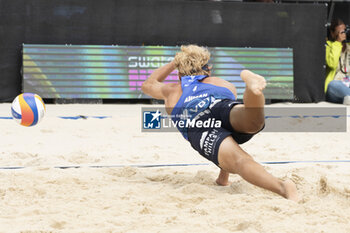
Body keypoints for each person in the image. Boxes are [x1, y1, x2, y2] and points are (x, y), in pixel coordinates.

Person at [141, 45, 298, 201]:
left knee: (240, 161)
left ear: (179, 73)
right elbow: (227, 131)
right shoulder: (220, 83)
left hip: (197, 122)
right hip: (219, 103)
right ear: (208, 69)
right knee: (252, 121)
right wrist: (223, 179)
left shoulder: (172, 91)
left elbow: (148, 85)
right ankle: (251, 91)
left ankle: (283, 188)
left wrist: (174, 62)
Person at [325, 18, 350, 104]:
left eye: (344, 31)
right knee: (333, 85)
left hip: (348, 84)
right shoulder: (328, 46)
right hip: (335, 87)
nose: (343, 34)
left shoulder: (349, 47)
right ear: (332, 33)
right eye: (340, 32)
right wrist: (338, 43)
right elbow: (332, 64)